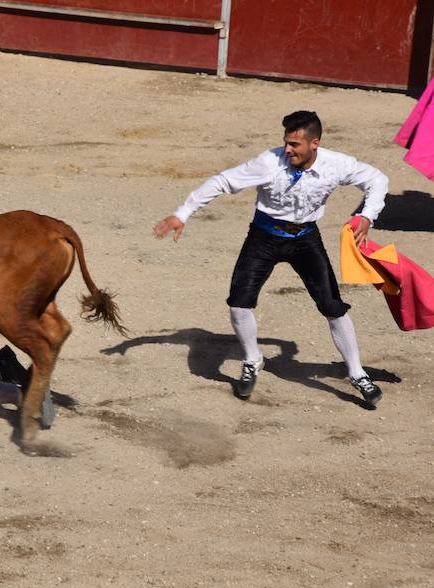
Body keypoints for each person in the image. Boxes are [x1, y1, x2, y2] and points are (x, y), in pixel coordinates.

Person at [153, 111, 388, 406]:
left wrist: (367, 215)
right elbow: (222, 181)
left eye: (295, 145)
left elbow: (377, 179)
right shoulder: (268, 162)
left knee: (332, 305)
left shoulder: (336, 164)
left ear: (314, 143)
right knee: (239, 302)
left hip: (305, 239)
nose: (288, 150)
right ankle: (253, 359)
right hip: (264, 237)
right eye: (286, 143)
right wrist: (182, 213)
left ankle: (356, 372)